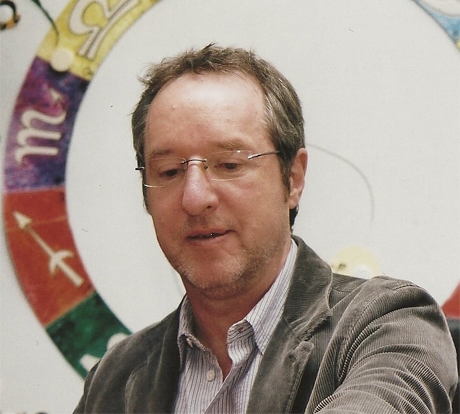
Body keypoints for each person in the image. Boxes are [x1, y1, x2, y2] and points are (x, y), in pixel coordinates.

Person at [74, 44, 457, 413]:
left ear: (293, 178)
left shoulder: (385, 323)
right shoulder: (115, 378)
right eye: (170, 171)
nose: (195, 197)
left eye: (229, 165)